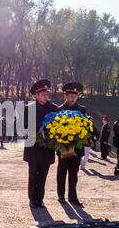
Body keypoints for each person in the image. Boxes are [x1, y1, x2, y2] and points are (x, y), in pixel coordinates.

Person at [23, 79, 58, 209]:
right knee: (33, 174)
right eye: (42, 94)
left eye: (46, 94)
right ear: (36, 95)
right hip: (33, 147)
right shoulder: (29, 109)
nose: (45, 96)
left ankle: (40, 199)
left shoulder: (53, 108)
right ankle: (32, 199)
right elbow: (24, 126)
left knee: (43, 175)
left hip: (47, 148)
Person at [56, 82, 86, 206]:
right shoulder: (59, 110)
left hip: (77, 148)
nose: (73, 98)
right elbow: (55, 129)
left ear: (77, 97)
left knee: (74, 173)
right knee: (62, 172)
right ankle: (61, 195)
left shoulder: (82, 109)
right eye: (70, 96)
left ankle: (73, 197)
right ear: (65, 96)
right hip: (63, 147)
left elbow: (85, 128)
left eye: (75, 96)